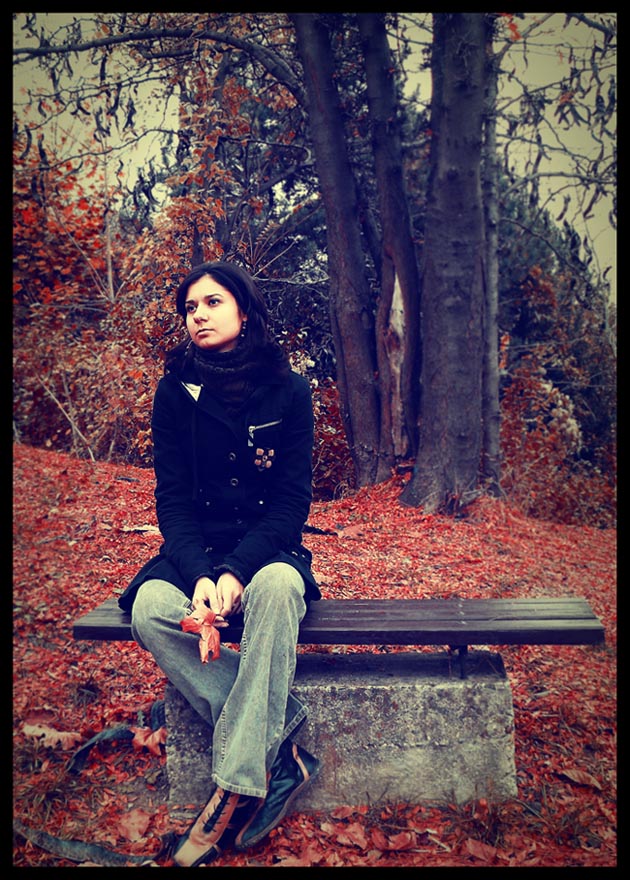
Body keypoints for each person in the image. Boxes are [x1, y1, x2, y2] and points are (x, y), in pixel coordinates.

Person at [117, 261, 321, 867]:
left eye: (212, 302)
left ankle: (233, 790)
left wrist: (237, 571)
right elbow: (173, 501)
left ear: (244, 311)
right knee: (149, 608)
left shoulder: (290, 391)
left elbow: (290, 504)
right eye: (190, 308)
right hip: (194, 553)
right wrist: (203, 573)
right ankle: (279, 736)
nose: (198, 315)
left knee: (279, 588)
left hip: (266, 551)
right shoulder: (173, 391)